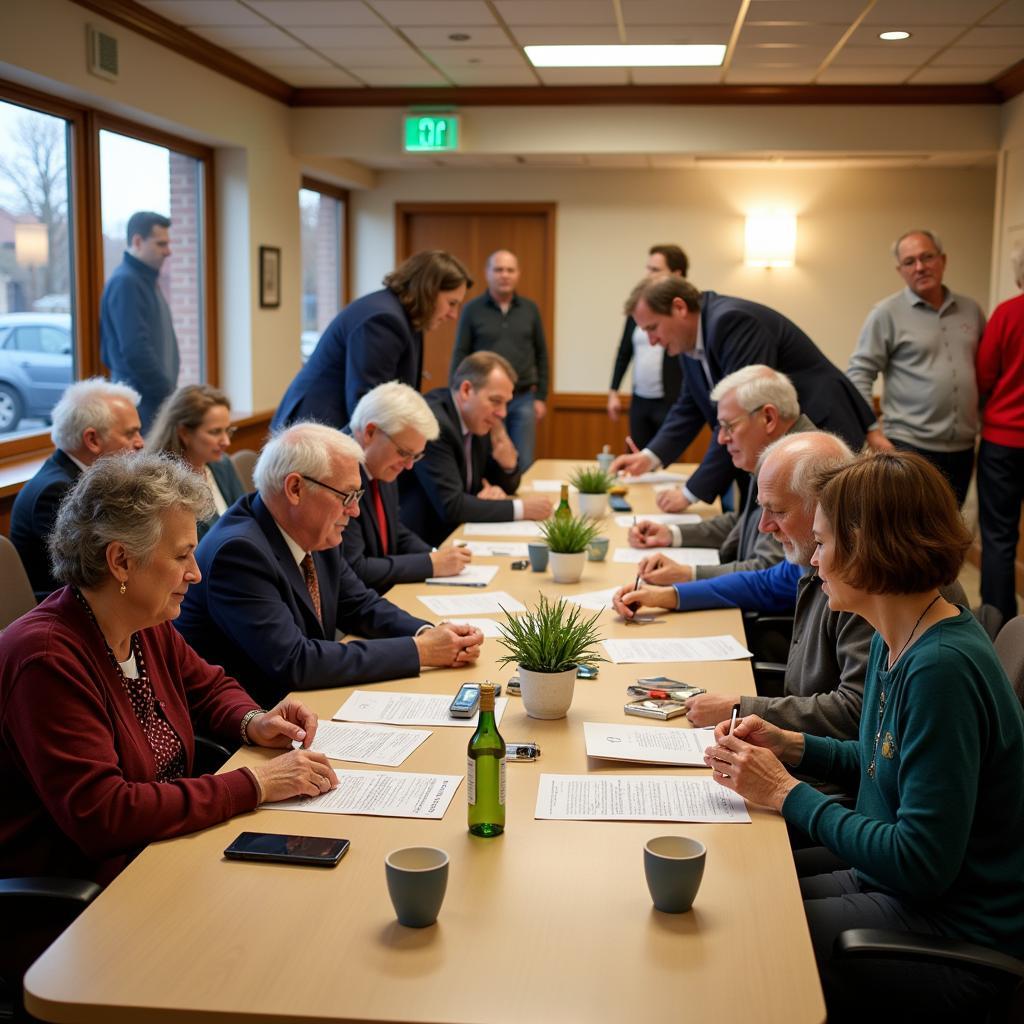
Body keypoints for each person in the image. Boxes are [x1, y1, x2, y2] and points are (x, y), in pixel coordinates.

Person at [703, 451, 1024, 1021]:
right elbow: (885, 764)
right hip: (899, 888)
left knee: (741, 939)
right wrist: (791, 745)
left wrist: (783, 791)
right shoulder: (896, 630)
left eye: (823, 544)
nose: (815, 560)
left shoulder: (941, 668)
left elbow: (920, 862)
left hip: (950, 928)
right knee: (734, 895)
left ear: (866, 549)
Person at [0, 452, 337, 886]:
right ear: (121, 561)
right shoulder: (46, 659)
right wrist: (254, 783)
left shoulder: (144, 622)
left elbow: (210, 688)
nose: (196, 573)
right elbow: (105, 814)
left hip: (163, 851)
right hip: (90, 896)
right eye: (182, 556)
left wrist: (256, 721)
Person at [175, 423, 483, 708]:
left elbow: (359, 605)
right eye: (347, 495)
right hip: (252, 729)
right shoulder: (239, 553)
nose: (355, 511)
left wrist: (430, 632)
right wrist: (422, 651)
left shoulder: (313, 530)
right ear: (295, 488)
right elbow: (296, 662)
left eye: (358, 495)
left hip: (305, 707)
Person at [615, 433, 875, 745]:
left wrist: (744, 709)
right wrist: (670, 595)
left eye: (777, 511)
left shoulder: (862, 578)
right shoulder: (817, 555)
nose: (764, 526)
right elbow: (766, 580)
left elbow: (856, 714)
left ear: (825, 506)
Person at [609, 276, 874, 510]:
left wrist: (690, 494)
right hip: (779, 442)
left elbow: (742, 416)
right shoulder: (689, 341)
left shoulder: (731, 322)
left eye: (652, 328)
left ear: (679, 307)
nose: (652, 342)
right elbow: (688, 408)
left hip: (820, 429)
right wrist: (648, 457)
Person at [628, 365, 814, 584]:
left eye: (729, 426)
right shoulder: (780, 453)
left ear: (768, 418)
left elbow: (768, 571)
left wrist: (688, 575)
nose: (722, 439)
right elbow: (744, 524)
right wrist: (671, 534)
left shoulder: (800, 466)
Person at [847, 229, 985, 506]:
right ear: (901, 270)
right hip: (908, 445)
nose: (920, 267)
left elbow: (986, 370)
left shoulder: (971, 310)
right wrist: (871, 431)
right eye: (910, 262)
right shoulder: (886, 313)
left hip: (962, 447)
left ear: (943, 260)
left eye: (927, 257)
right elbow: (859, 373)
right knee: (909, 535)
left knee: (948, 529)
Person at [272, 250, 472, 431]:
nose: (453, 315)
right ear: (428, 291)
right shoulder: (383, 320)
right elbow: (368, 405)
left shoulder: (403, 316)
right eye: (451, 303)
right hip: (317, 427)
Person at [399, 352, 552, 548]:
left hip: (461, 535)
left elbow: (500, 485)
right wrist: (522, 508)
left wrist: (508, 466)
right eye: (496, 401)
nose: (503, 413)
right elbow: (452, 506)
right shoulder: (434, 423)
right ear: (466, 390)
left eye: (506, 403)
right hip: (427, 542)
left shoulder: (476, 419)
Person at [10, 378, 144, 600]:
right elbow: (93, 575)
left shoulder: (82, 478)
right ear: (92, 439)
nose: (141, 443)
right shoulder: (56, 492)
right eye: (131, 433)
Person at [345, 381, 471, 593]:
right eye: (404, 453)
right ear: (370, 432)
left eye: (416, 456)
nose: (410, 465)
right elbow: (356, 568)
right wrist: (430, 564)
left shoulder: (380, 464)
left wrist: (435, 554)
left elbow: (395, 531)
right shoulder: (337, 473)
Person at [450, 250, 548, 469]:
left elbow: (541, 353)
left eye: (510, 270)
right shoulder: (472, 309)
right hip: (484, 400)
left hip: (523, 398)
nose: (504, 275)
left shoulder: (530, 309)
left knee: (522, 461)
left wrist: (541, 396)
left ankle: (521, 505)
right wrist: (454, 393)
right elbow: (460, 352)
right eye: (498, 269)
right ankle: (493, 501)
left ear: (518, 274)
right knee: (485, 458)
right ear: (487, 273)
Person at [976, 246, 1024, 624]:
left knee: (998, 538)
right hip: (1004, 438)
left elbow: (985, 375)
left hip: (1003, 441)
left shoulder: (1007, 313)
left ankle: (999, 624)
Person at [99, 211, 179, 431]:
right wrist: (168, 393)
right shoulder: (126, 282)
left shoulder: (147, 280)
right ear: (137, 241)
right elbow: (135, 350)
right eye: (161, 244)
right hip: (141, 407)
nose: (168, 251)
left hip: (155, 403)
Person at [607, 244, 686, 449]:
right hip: (641, 399)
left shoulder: (682, 313)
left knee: (665, 455)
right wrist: (614, 391)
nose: (647, 275)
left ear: (676, 274)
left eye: (655, 270)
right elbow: (624, 352)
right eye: (647, 268)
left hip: (670, 399)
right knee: (637, 454)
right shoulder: (640, 308)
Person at [146, 384, 246, 539]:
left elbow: (245, 517)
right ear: (184, 432)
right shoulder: (162, 483)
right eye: (215, 432)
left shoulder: (222, 463)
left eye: (228, 431)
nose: (226, 442)